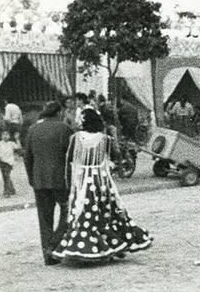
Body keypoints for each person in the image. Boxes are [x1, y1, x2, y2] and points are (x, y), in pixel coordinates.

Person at [51, 107, 152, 263]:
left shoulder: (76, 138)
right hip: (101, 180)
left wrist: (68, 182)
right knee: (106, 211)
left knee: (83, 211)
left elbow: (69, 159)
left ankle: (86, 246)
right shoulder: (105, 139)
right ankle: (111, 244)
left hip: (83, 180)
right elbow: (113, 156)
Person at [24, 101, 72, 265]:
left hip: (39, 181)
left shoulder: (32, 129)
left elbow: (27, 158)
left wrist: (32, 178)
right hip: (61, 180)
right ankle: (54, 244)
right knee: (68, 212)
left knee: (44, 219)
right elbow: (71, 155)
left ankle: (48, 254)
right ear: (59, 113)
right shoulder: (64, 129)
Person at [0, 128, 16, 197]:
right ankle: (12, 189)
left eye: (7, 135)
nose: (5, 136)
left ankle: (6, 192)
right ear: (1, 136)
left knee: (6, 175)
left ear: (9, 136)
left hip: (9, 162)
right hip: (2, 162)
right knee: (5, 176)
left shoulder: (11, 143)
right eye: (3, 135)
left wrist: (18, 139)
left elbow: (19, 148)